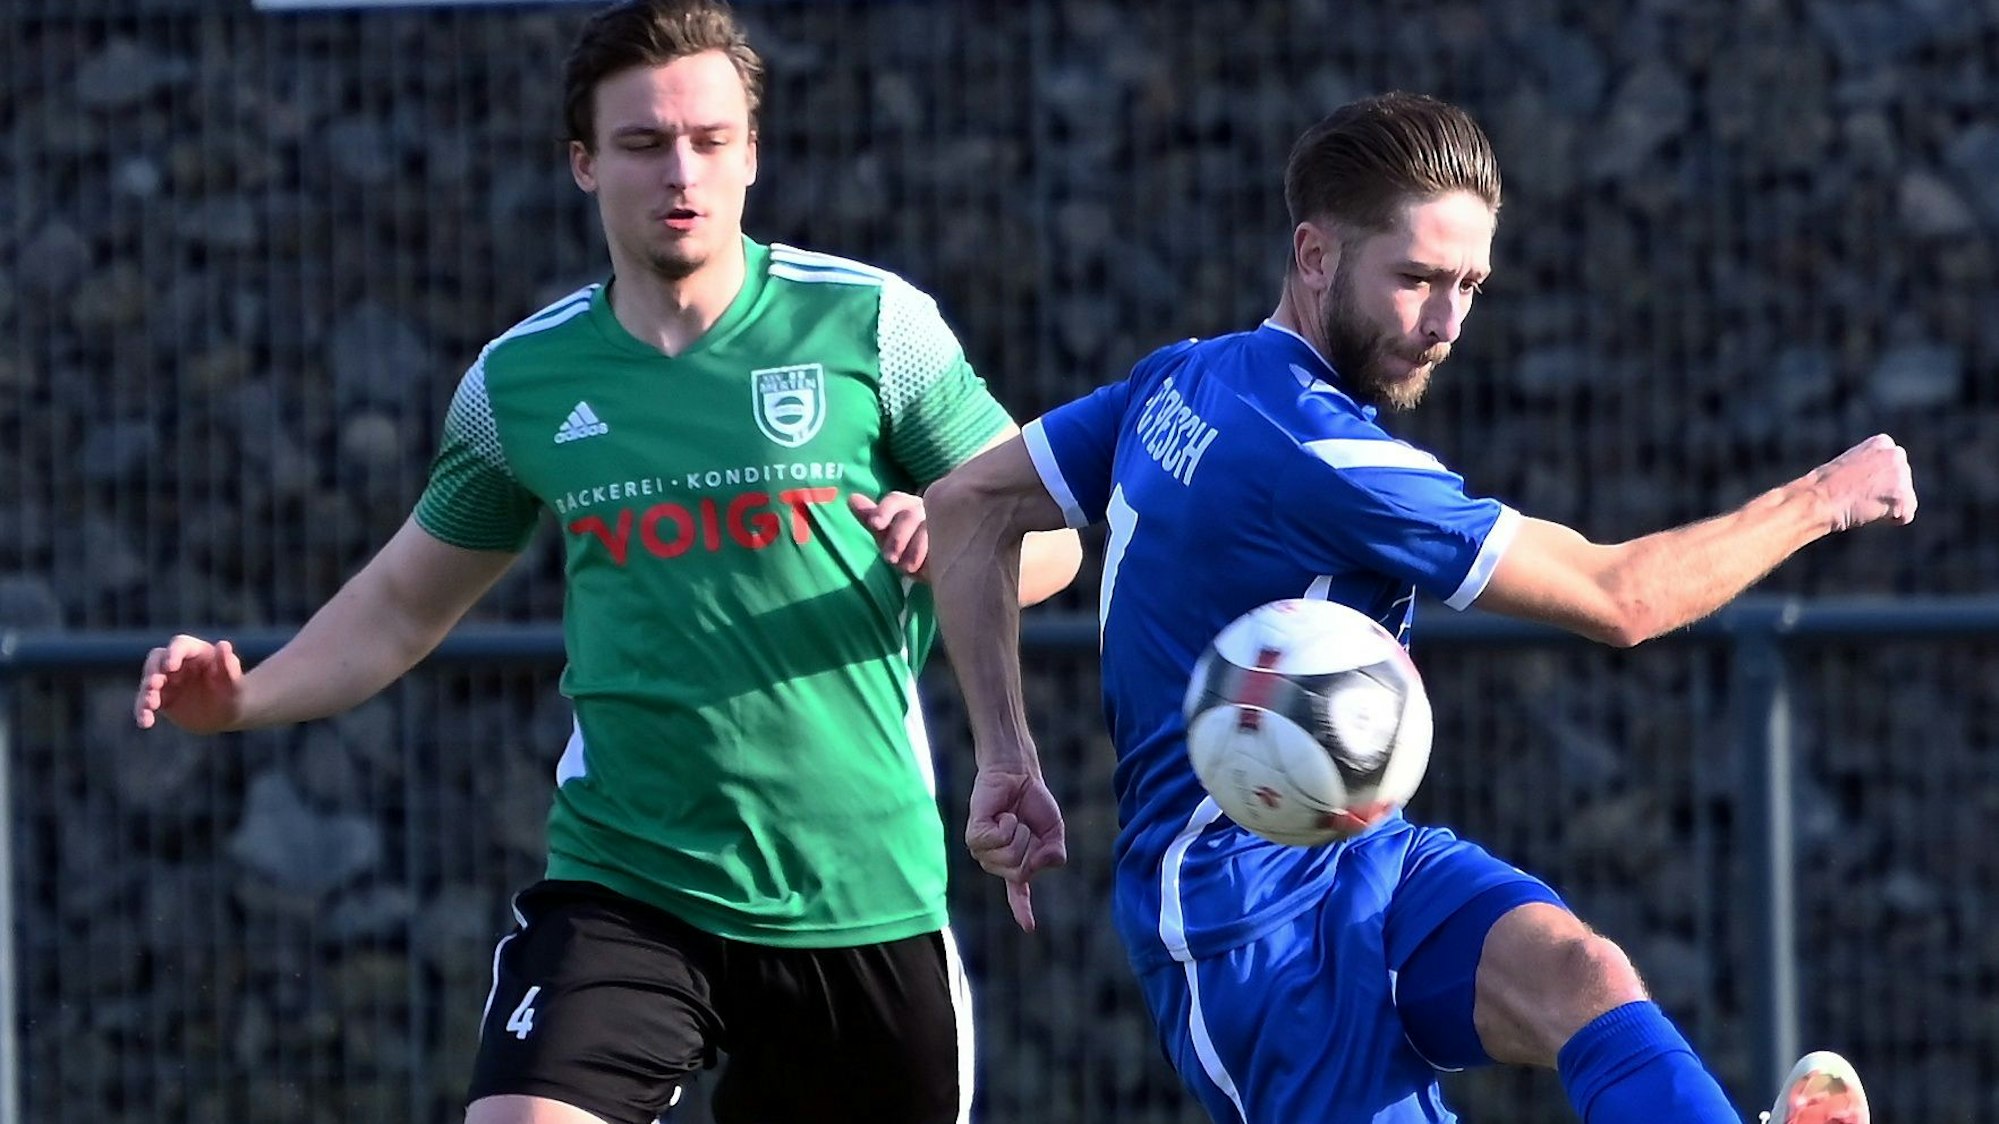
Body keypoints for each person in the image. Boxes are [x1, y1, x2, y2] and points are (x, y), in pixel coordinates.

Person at [133, 2, 1081, 1122]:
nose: (680, 170)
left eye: (709, 140)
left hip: (855, 893)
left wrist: (948, 542)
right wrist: (245, 698)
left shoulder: (874, 328)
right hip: (626, 881)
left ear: (751, 154)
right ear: (583, 163)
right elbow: (398, 605)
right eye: (641, 143)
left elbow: (1053, 540)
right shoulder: (520, 382)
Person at [923, 92, 1900, 1124]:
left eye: (1469, 283)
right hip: (1245, 921)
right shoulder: (1324, 457)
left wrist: (1004, 754)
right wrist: (1823, 497)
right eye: (1416, 279)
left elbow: (968, 505)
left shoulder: (1187, 377)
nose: (1445, 322)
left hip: (1364, 854)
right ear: (1312, 254)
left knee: (1583, 975)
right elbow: (1622, 598)